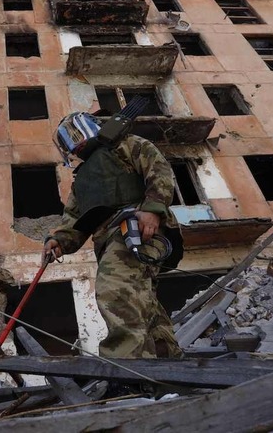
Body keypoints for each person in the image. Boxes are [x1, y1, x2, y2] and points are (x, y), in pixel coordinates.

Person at [43, 112, 183, 359]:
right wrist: (59, 241)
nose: (73, 143)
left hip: (135, 227)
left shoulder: (126, 145)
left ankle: (127, 366)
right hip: (110, 240)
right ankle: (166, 358)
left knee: (114, 289)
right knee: (141, 300)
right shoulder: (82, 180)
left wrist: (153, 209)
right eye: (67, 140)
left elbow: (159, 170)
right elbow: (73, 217)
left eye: (74, 134)